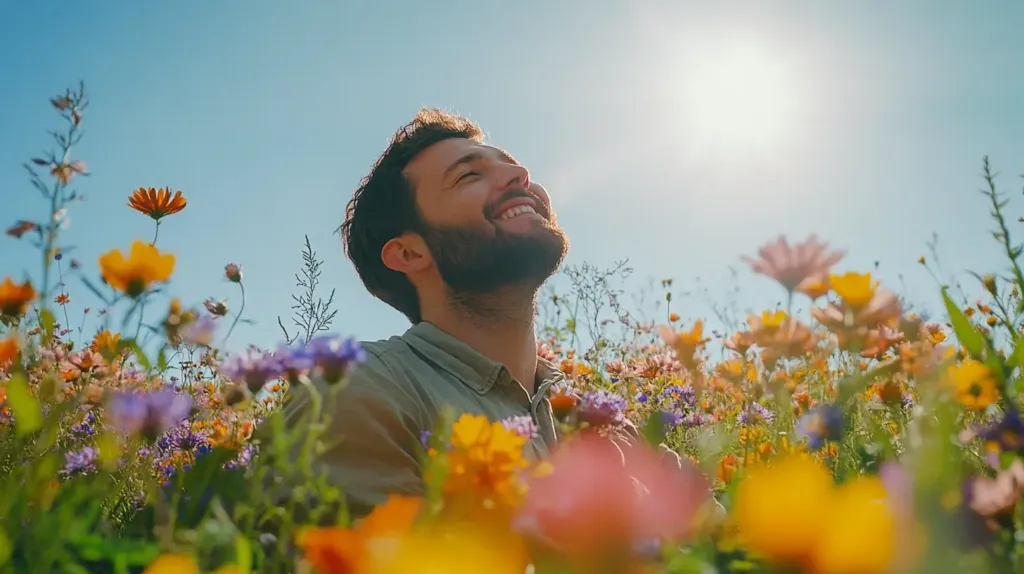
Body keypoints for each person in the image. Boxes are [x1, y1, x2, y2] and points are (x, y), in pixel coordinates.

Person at [282, 108, 645, 519]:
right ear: (410, 252)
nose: (520, 174)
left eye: (511, 165)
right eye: (469, 176)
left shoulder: (593, 417)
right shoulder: (359, 392)